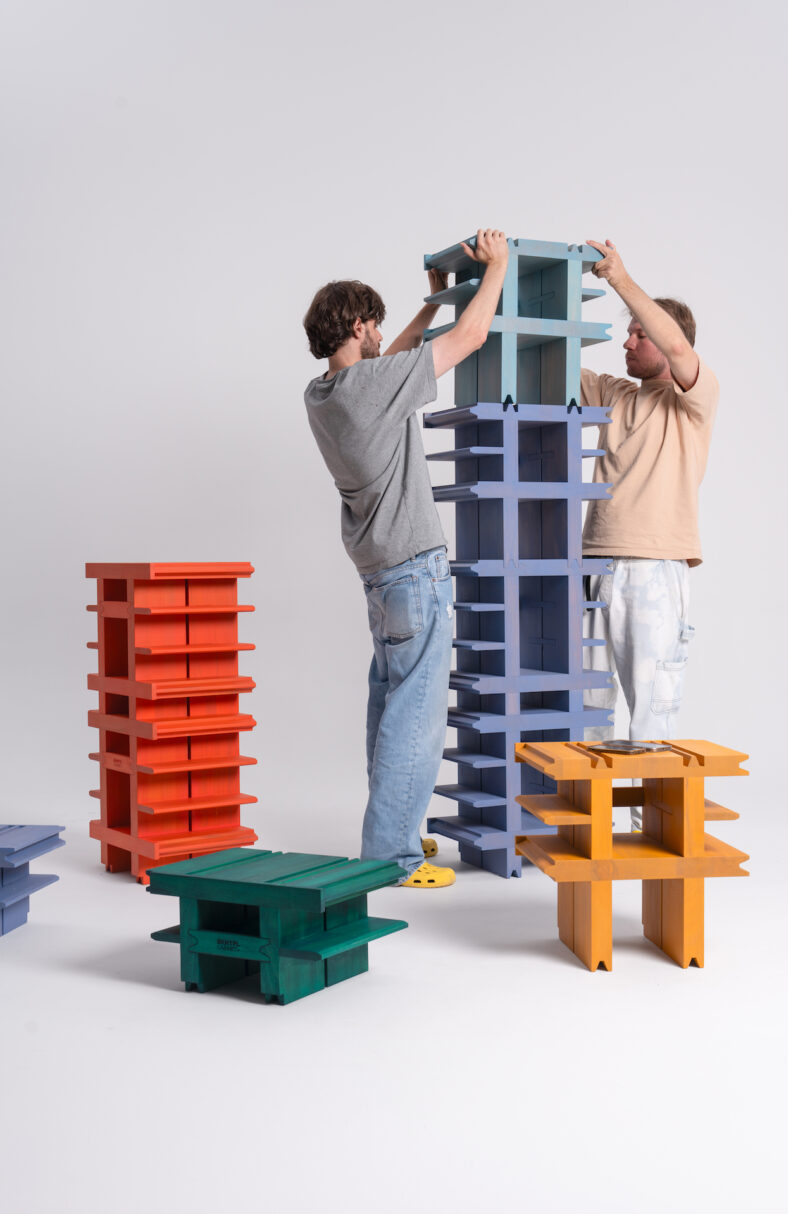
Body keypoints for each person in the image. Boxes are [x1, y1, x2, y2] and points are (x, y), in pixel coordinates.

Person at [303, 229, 509, 886]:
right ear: (360, 324)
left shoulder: (325, 396)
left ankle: (395, 834)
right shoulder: (371, 388)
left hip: (379, 575)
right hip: (414, 571)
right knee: (416, 717)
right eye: (377, 327)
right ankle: (390, 856)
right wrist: (497, 268)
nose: (380, 336)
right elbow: (471, 339)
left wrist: (431, 305)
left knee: (391, 706)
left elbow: (384, 364)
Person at [581, 239, 719, 828]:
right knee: (585, 710)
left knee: (650, 715)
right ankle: (594, 826)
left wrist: (620, 279)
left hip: (654, 573)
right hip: (595, 568)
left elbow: (681, 347)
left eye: (638, 333)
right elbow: (553, 363)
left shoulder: (695, 399)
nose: (626, 341)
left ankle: (648, 831)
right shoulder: (615, 395)